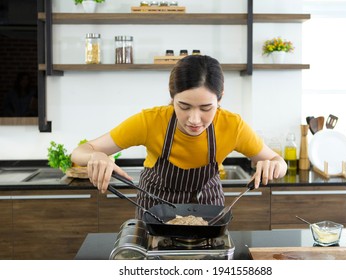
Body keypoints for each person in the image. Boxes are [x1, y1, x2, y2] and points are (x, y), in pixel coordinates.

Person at [71, 55, 287, 218]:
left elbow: (280, 162)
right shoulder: (151, 121)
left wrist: (274, 165)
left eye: (206, 108)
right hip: (154, 211)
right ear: (172, 96)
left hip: (208, 212)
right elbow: (80, 151)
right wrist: (95, 156)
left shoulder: (233, 126)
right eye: (184, 106)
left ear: (220, 98)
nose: (194, 119)